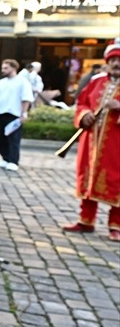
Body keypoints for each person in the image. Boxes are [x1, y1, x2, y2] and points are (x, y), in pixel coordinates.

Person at [62, 40, 120, 242]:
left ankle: (116, 225)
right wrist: (84, 115)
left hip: (116, 146)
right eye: (113, 59)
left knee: (115, 182)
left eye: (119, 60)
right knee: (88, 177)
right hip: (91, 142)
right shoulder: (96, 81)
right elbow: (82, 102)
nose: (116, 63)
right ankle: (86, 220)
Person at [0, 58, 33, 172]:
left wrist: (24, 113)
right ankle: (5, 158)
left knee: (13, 139)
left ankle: (13, 161)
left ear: (14, 68)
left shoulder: (22, 81)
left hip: (14, 114)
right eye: (2, 68)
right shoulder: (1, 82)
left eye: (6, 68)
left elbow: (26, 99)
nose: (3, 70)